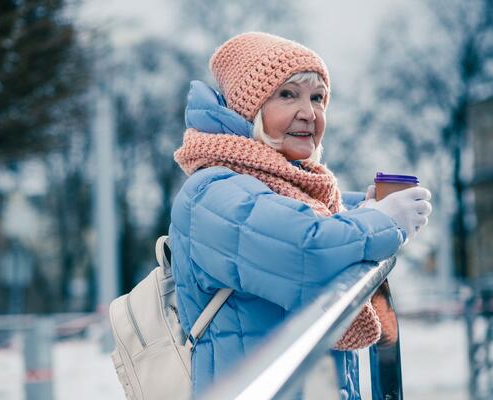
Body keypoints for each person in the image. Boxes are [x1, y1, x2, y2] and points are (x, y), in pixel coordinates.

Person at [168, 32, 432, 399]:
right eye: (287, 94)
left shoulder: (288, 188)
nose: (309, 113)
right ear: (249, 108)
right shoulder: (211, 194)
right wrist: (383, 221)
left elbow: (305, 221)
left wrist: (364, 210)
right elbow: (306, 249)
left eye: (318, 98)